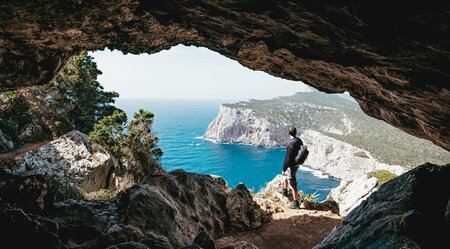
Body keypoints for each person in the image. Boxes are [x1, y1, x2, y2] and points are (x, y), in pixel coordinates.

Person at [280, 126, 303, 209]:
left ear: (288, 133)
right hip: (297, 164)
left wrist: (283, 169)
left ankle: (296, 203)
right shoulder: (299, 141)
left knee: (293, 183)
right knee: (288, 177)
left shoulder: (291, 144)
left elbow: (287, 159)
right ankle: (284, 190)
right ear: (295, 132)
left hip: (291, 165)